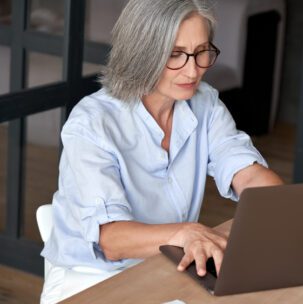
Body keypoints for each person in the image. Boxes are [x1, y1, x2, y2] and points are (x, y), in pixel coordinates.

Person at [40, 0, 283, 302]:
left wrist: (282, 208)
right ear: (143, 52)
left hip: (167, 265)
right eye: (176, 55)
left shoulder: (204, 103)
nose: (193, 70)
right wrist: (187, 232)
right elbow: (111, 240)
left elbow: (248, 174)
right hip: (92, 279)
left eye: (201, 52)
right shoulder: (92, 123)